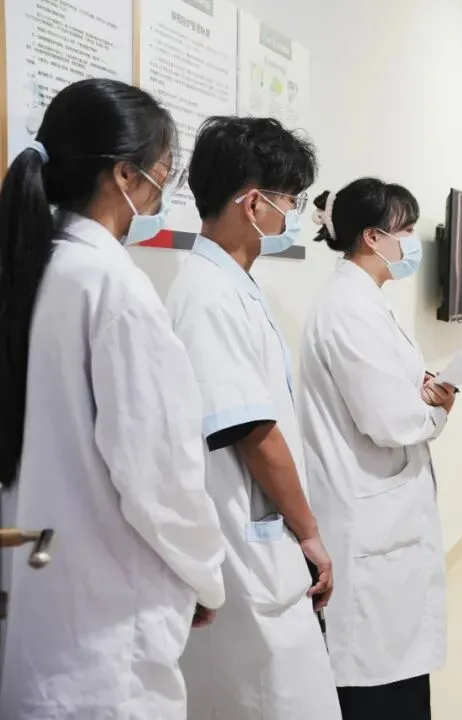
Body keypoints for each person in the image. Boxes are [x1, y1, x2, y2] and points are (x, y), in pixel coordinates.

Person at [0, 79, 225, 718]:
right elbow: (159, 476)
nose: (159, 196)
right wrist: (205, 574)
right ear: (125, 175)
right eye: (161, 177)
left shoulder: (31, 268)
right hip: (105, 638)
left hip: (39, 608)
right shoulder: (113, 290)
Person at [166, 116, 339, 720]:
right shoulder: (208, 296)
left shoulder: (230, 284)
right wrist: (310, 532)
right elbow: (255, 435)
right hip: (248, 552)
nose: (292, 214)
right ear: (253, 202)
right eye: (289, 200)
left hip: (262, 544)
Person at [297, 178, 456, 720]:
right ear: (372, 236)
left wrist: (420, 389)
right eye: (405, 230)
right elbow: (390, 421)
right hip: (366, 519)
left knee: (397, 670)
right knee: (377, 682)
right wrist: (437, 408)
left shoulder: (364, 300)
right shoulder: (348, 309)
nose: (413, 242)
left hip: (383, 511)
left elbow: (386, 389)